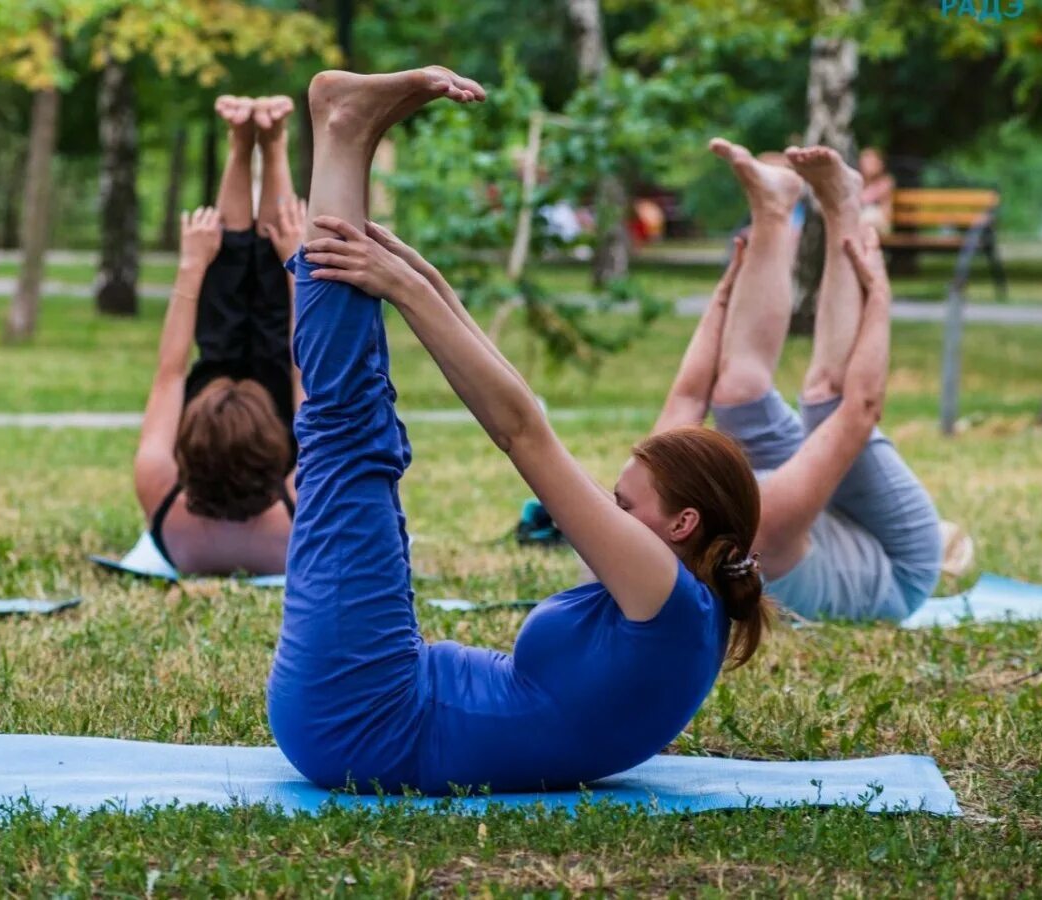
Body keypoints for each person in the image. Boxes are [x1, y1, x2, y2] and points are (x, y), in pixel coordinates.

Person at [265, 67, 771, 795]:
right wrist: (419, 276)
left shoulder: (665, 594)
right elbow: (523, 407)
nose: (610, 512)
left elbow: (523, 431)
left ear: (684, 521)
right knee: (356, 425)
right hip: (388, 700)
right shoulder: (683, 609)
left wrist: (405, 287)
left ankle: (342, 133)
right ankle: (355, 137)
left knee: (346, 430)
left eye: (628, 506)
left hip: (365, 722)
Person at [652, 138, 941, 622]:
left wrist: (725, 297)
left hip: (803, 520)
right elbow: (860, 410)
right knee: (826, 398)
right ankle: (845, 202)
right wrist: (880, 297)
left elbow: (688, 395)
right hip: (897, 561)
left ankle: (773, 208)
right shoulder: (763, 524)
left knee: (736, 392)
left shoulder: (650, 504)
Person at [134, 96, 306, 576]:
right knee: (257, 315)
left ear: (185, 451)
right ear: (275, 446)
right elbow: (170, 375)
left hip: (265, 394)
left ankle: (241, 144)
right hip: (274, 386)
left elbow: (171, 375)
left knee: (229, 318)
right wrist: (294, 261)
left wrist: (295, 264)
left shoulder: (161, 494)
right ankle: (270, 146)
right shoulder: (305, 507)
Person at [859, 147, 896, 235]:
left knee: (867, 217)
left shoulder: (886, 182)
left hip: (880, 224)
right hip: (863, 222)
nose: (868, 166)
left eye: (871, 162)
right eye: (865, 162)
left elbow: (865, 198)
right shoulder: (859, 181)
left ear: (880, 164)